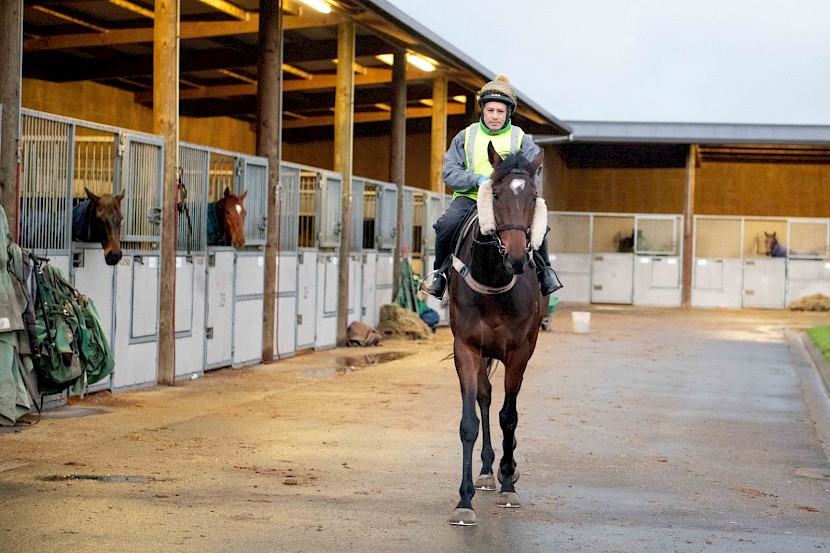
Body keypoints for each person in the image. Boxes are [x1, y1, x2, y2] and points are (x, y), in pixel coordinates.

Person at [422, 75, 563, 299]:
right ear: (483, 111)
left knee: (539, 227)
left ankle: (545, 272)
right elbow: (449, 172)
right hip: (470, 198)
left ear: (508, 112)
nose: (495, 116)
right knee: (447, 225)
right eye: (490, 111)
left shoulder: (521, 138)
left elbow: (530, 174)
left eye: (500, 111)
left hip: (510, 201)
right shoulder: (465, 136)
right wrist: (476, 180)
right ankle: (440, 274)